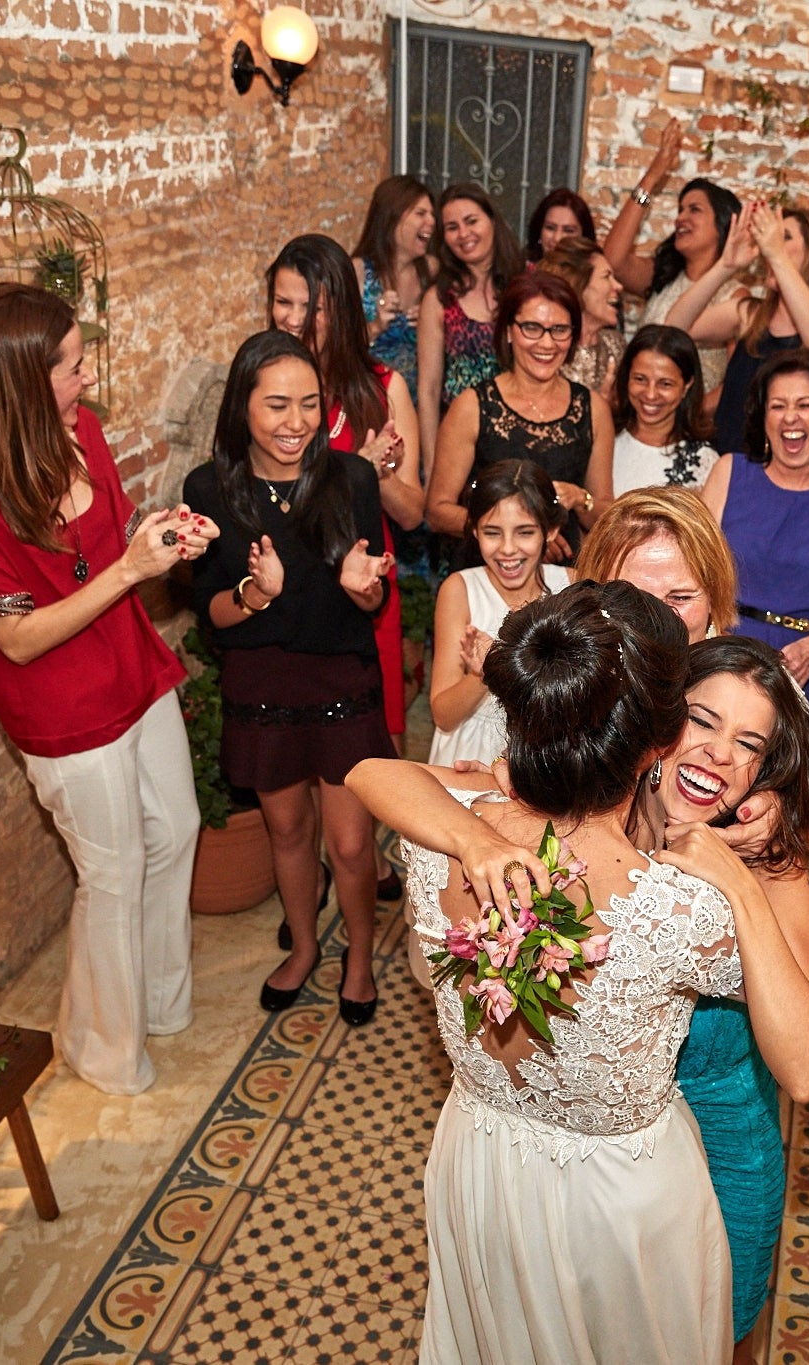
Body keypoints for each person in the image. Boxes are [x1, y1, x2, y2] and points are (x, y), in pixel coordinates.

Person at [356, 582, 756, 1363]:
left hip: (478, 1162)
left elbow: (373, 772)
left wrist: (475, 836)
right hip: (620, 1208)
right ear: (659, 742)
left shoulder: (437, 840)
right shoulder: (683, 909)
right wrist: (758, 872)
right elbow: (807, 1051)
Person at [0, 282, 212, 1095]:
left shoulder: (81, 428)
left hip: (130, 664)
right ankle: (103, 1047)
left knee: (178, 828)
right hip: (60, 706)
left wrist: (163, 536)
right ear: (21, 378)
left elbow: (114, 530)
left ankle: (159, 999)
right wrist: (128, 571)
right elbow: (15, 639)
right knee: (112, 873)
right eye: (72, 366)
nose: (87, 379)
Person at [183, 331, 396, 1020]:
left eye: (309, 404)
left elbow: (373, 597)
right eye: (277, 405)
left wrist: (365, 587)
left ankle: (358, 958)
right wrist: (256, 593)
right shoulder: (209, 489)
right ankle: (303, 947)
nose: (296, 422)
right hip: (263, 682)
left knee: (352, 842)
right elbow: (212, 612)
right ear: (242, 406)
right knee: (287, 832)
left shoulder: (351, 479)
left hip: (340, 678)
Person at [267, 233, 419, 903]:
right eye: (282, 302)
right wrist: (350, 465)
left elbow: (412, 510)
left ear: (342, 308)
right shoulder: (261, 387)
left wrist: (374, 474)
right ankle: (311, 876)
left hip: (364, 598)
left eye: (311, 306)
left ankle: (362, 856)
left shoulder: (383, 388)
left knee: (369, 746)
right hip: (288, 595)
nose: (293, 319)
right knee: (293, 741)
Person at [702, 349, 809, 735]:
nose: (790, 417)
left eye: (804, 404)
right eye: (777, 405)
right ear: (763, 418)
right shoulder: (729, 472)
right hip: (727, 657)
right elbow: (695, 572)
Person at [424, 273, 613, 561]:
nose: (547, 343)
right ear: (509, 331)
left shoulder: (592, 408)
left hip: (564, 576)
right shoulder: (472, 406)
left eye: (559, 330)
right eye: (532, 328)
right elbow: (437, 511)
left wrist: (580, 498)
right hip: (487, 569)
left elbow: (606, 517)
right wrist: (517, 534)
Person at [671, 201, 809, 457]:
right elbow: (673, 330)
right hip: (729, 464)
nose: (769, 245)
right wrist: (725, 266)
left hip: (793, 469)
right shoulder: (751, 315)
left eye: (784, 237)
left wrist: (777, 256)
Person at [426, 460, 570, 768]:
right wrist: (482, 674)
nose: (507, 548)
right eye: (492, 532)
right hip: (468, 753)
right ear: (474, 530)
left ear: (551, 530)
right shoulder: (460, 590)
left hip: (545, 759)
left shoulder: (570, 586)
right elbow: (444, 716)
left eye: (524, 532)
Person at [602, 118, 744, 393]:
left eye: (694, 210)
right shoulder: (663, 277)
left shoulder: (734, 297)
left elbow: (735, 380)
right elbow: (614, 261)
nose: (681, 218)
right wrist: (653, 176)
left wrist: (698, 411)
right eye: (680, 210)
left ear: (722, 225)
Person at [415, 183, 526, 463]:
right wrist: (432, 463)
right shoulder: (438, 299)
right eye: (452, 227)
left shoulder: (527, 285)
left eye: (471, 221)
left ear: (493, 221)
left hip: (521, 436)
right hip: (459, 442)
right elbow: (429, 389)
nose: (463, 234)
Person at [572, 483, 737, 640]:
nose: (658, 622)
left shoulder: (745, 661)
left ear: (713, 596)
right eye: (632, 598)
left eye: (680, 598)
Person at [609, 323, 718, 496]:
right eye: (640, 379)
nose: (650, 394)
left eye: (665, 384)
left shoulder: (705, 462)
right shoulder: (602, 436)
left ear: (687, 386)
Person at [351, 174, 435, 397]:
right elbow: (335, 347)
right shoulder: (358, 271)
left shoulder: (431, 271)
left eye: (432, 214)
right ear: (393, 216)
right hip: (368, 400)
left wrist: (433, 321)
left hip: (417, 404)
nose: (432, 222)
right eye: (421, 213)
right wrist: (375, 326)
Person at [536, 238, 626, 399]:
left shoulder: (615, 345)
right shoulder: (546, 351)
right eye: (606, 277)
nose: (618, 286)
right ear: (579, 286)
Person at [524, 187, 597, 262]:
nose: (557, 238)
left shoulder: (598, 266)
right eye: (550, 228)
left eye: (568, 231)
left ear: (584, 236)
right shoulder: (522, 267)